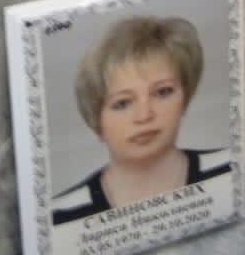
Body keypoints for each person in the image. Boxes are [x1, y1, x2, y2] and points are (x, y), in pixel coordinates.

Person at [52, 13, 230, 225]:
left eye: (162, 92)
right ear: (97, 121)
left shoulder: (229, 168)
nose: (144, 115)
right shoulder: (60, 213)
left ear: (185, 98)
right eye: (122, 103)